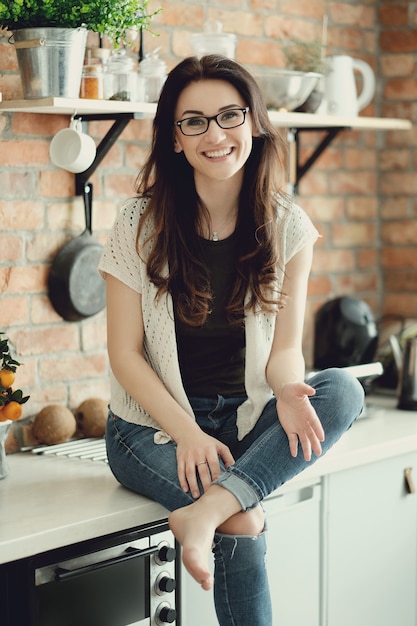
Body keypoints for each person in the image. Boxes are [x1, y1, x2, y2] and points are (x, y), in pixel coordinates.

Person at [99, 54, 364, 626]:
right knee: (243, 520)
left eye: (228, 116)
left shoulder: (288, 226)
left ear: (254, 122)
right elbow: (124, 355)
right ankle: (221, 509)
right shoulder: (137, 225)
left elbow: (284, 351)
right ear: (173, 138)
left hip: (241, 422)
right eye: (193, 121)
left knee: (342, 389)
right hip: (150, 430)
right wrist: (187, 432)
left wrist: (291, 390)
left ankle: (205, 512)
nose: (214, 134)